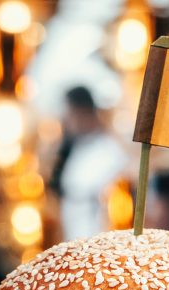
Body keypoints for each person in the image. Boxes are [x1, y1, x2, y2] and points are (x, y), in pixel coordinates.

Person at [50, 86, 127, 240]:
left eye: (70, 114)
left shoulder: (109, 149)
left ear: (83, 112)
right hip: (71, 233)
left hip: (96, 235)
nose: (66, 121)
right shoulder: (73, 146)